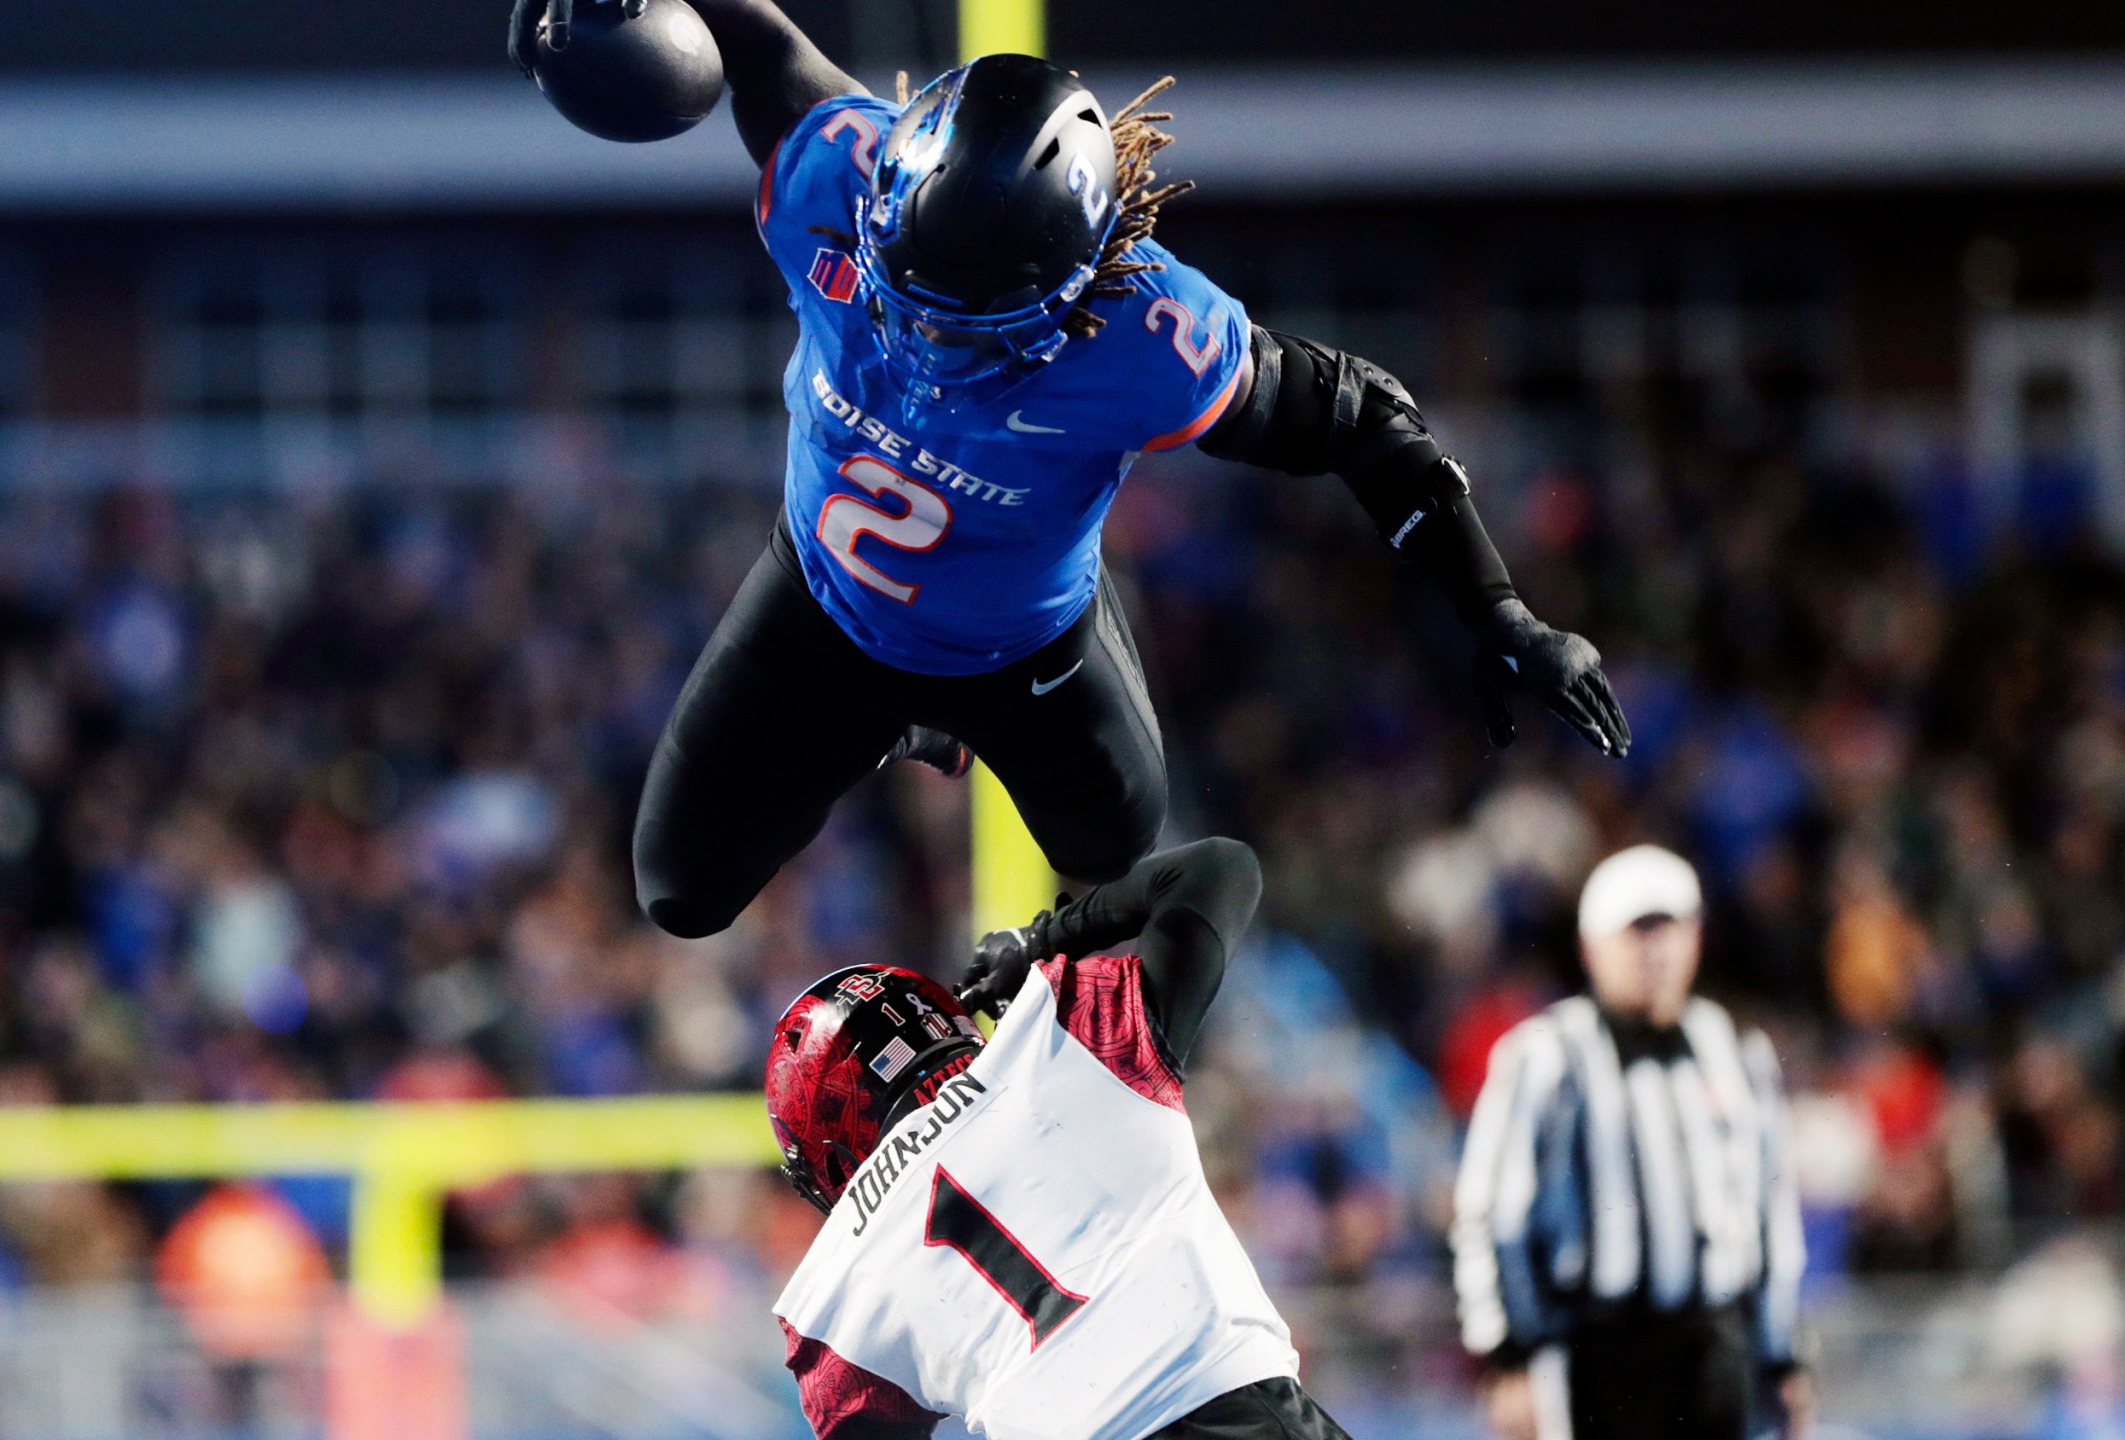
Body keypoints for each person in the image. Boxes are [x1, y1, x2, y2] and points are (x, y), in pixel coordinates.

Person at [507, 0, 1633, 940]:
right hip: (824, 605)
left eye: (973, 321)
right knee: (679, 894)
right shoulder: (837, 177)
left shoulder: (1144, 330)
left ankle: (993, 688)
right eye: (912, 297)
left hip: (1021, 647)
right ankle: (904, 719)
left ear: (1078, 285)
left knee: (1113, 849)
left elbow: (1366, 421)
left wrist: (1496, 609)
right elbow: (755, 40)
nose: (929, 342)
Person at [758, 837, 1359, 1440]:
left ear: (827, 1148)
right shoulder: (1061, 1042)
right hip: (1228, 1402)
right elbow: (1221, 869)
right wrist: (1044, 941)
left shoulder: (830, 1296)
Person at [1451, 844, 1811, 1440]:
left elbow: (1771, 1210)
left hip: (1714, 1345)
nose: (1654, 949)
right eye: (1635, 931)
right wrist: (1508, 1354)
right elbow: (1492, 1209)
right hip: (1597, 1348)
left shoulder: (1736, 1049)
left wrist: (1782, 1353)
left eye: (1668, 928)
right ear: (1593, 946)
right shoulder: (1548, 1054)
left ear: (1695, 937)